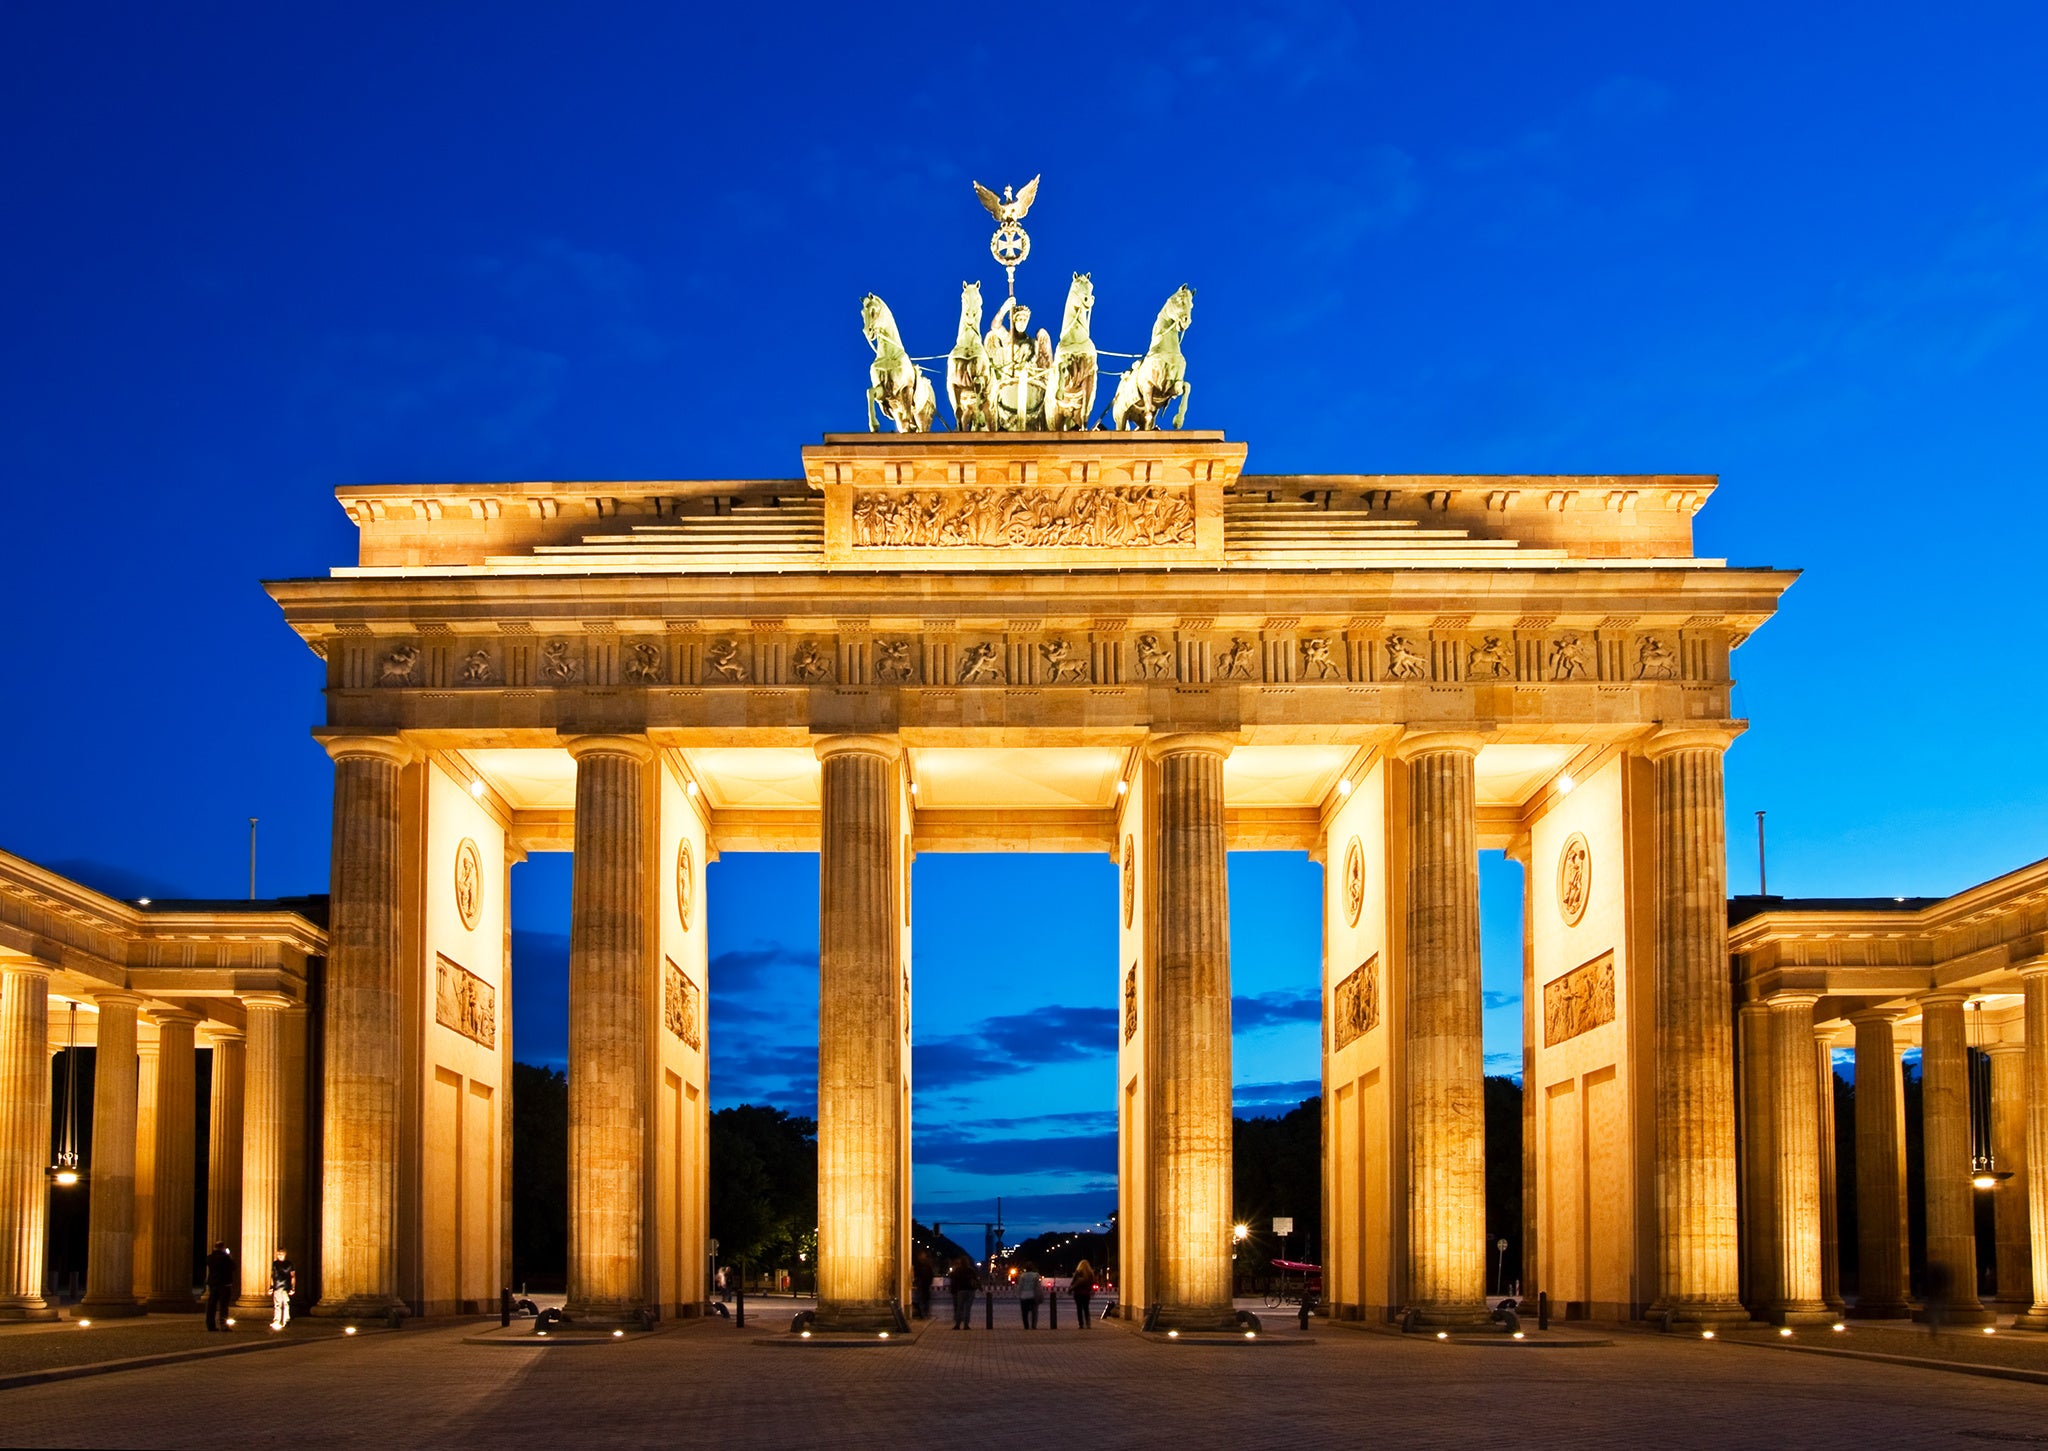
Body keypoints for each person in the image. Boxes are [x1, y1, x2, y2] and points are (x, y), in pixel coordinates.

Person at [204, 1242, 234, 1331]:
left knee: (211, 1306)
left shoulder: (210, 1257)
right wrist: (229, 1255)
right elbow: (233, 1267)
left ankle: (210, 1325)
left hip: (213, 1284)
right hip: (224, 1284)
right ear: (223, 1247)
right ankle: (223, 1325)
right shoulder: (225, 1257)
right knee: (223, 1306)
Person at [268, 1249, 295, 1331]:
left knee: (285, 1304)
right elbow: (272, 1276)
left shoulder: (289, 1264)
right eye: (278, 1254)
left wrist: (293, 1287)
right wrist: (271, 1287)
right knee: (278, 1305)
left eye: (281, 1254)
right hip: (278, 1286)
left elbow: (293, 1276)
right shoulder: (275, 1263)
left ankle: (285, 1320)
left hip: (285, 1286)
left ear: (285, 1254)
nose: (280, 1255)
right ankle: (277, 1320)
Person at [949, 1255, 978, 1330]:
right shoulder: (971, 1270)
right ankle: (966, 1325)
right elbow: (976, 1280)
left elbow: (954, 1280)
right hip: (970, 1291)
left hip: (960, 1291)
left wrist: (953, 1291)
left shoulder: (958, 1270)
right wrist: (979, 1288)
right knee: (967, 1309)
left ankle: (957, 1325)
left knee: (959, 1308)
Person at [1016, 1262, 1043, 1329]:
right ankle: (1033, 1326)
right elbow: (1038, 1287)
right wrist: (1040, 1295)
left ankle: (1026, 1326)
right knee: (1034, 1312)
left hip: (1024, 1296)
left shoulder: (1022, 1276)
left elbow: (1020, 1286)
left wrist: (1019, 1294)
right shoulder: (1036, 1275)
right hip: (1033, 1295)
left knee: (1024, 1312)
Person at [1071, 1260, 1095, 1329]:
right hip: (1086, 1294)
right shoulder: (1090, 1273)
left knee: (1079, 1309)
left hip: (1078, 1294)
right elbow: (1092, 1283)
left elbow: (1073, 1282)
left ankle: (1081, 1324)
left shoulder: (1077, 1273)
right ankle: (1088, 1324)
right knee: (1086, 1309)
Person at [912, 1251, 935, 1321]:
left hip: (925, 1284)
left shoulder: (926, 1265)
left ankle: (925, 1313)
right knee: (922, 1299)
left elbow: (931, 1274)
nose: (923, 1257)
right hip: (922, 1284)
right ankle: (923, 1314)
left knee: (925, 1299)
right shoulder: (919, 1265)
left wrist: (930, 1282)